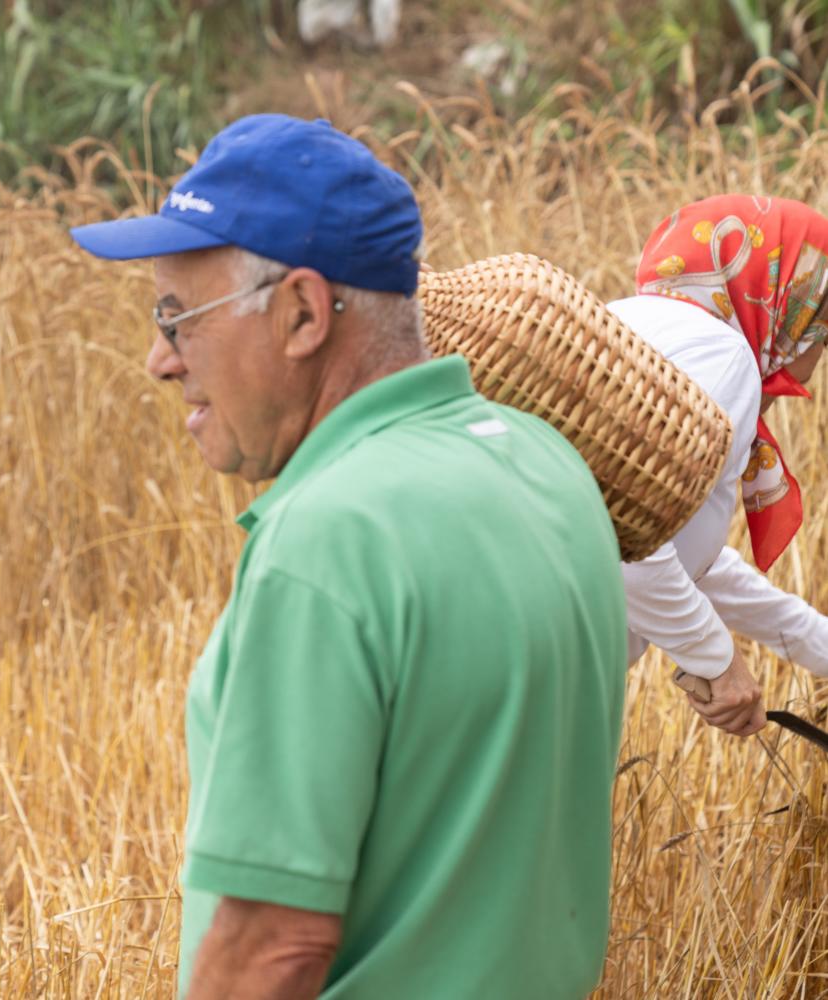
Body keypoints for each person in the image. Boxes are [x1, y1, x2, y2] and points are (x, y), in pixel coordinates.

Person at [70, 114, 629, 999]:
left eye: (179, 320)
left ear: (302, 313)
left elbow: (272, 946)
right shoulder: (544, 461)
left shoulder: (329, 538)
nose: (158, 361)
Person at [615, 194, 828, 738]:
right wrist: (715, 659)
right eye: (822, 331)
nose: (817, 358)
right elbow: (624, 542)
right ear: (785, 305)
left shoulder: (634, 327)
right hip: (533, 667)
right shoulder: (723, 360)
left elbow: (688, 557)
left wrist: (819, 647)